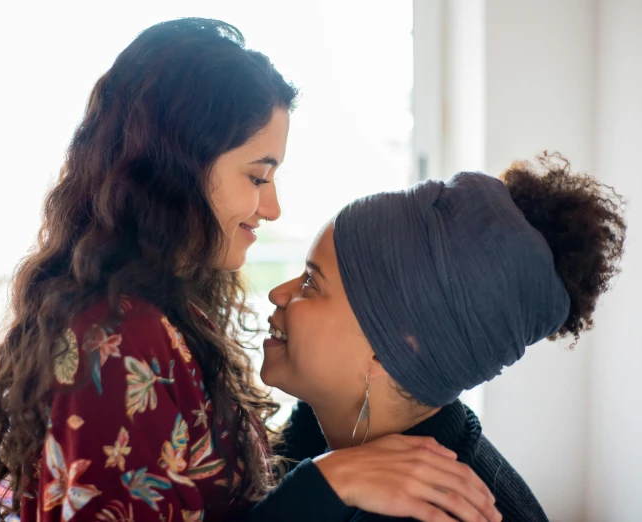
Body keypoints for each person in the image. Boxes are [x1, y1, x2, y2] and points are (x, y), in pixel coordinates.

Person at [0, 18, 501, 522]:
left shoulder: (172, 309)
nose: (272, 208)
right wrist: (323, 484)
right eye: (258, 178)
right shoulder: (118, 337)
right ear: (178, 170)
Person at [261, 154, 627, 521]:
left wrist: (312, 490)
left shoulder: (429, 512)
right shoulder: (341, 432)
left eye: (310, 284)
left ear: (388, 355)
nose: (278, 293)